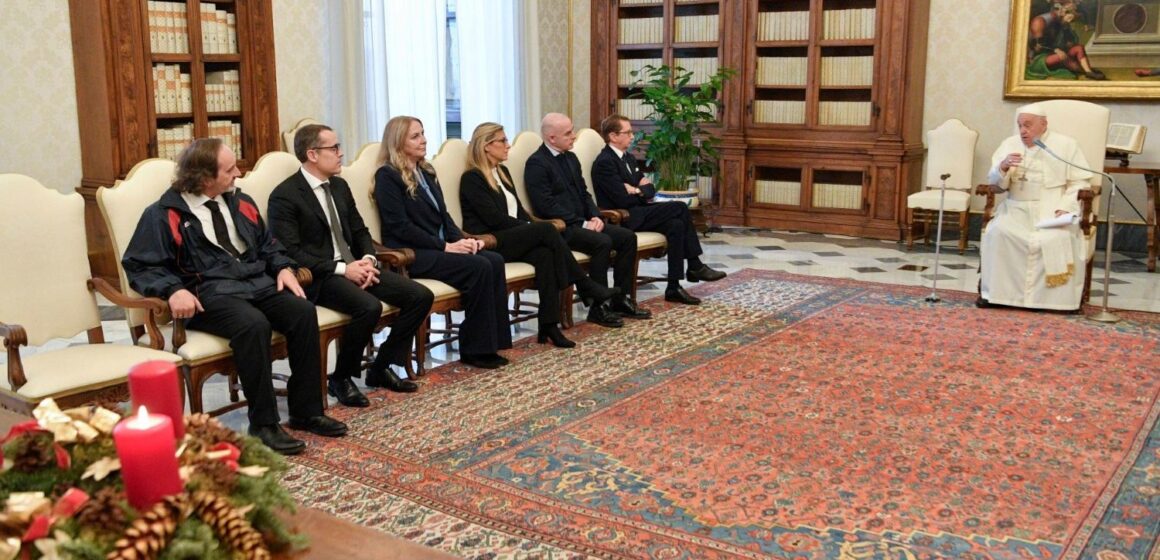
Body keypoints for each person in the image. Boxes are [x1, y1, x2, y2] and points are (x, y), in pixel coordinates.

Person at [122, 138, 346, 455]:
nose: (238, 173)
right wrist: (173, 290)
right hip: (207, 293)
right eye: (229, 170)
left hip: (254, 282)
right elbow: (140, 265)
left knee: (302, 311)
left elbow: (269, 246)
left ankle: (306, 411)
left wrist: (283, 267)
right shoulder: (163, 214)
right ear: (204, 178)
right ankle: (264, 423)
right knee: (252, 324)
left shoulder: (241, 203)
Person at [268, 124, 434, 406]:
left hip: (356, 265)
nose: (340, 153)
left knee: (420, 296)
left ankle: (381, 368)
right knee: (368, 307)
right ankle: (341, 378)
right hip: (321, 276)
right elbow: (292, 252)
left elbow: (359, 231)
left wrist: (368, 260)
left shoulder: (340, 186)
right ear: (312, 154)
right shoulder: (285, 195)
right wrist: (346, 270)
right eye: (333, 148)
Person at [460, 122, 623, 346]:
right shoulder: (473, 178)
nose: (508, 146)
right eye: (503, 141)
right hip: (491, 241)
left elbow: (517, 210)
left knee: (546, 255)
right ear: (487, 146)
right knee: (546, 229)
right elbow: (494, 220)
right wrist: (531, 228)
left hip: (513, 237)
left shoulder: (502, 173)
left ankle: (549, 326)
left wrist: (529, 226)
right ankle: (585, 284)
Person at [373, 116, 512, 369]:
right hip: (412, 253)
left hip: (439, 247)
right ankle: (475, 349)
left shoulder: (425, 171)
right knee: (479, 267)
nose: (424, 140)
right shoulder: (387, 176)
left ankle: (493, 342)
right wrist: (445, 247)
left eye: (423, 133)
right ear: (397, 141)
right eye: (415, 136)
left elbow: (443, 215)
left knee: (493, 260)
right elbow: (399, 227)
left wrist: (463, 240)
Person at [525, 112, 651, 322]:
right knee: (602, 242)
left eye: (572, 130)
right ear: (552, 138)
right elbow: (545, 205)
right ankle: (597, 306)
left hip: (584, 222)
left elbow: (584, 193)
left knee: (627, 237)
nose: (574, 136)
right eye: (568, 133)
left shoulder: (571, 158)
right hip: (562, 228)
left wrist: (595, 216)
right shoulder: (537, 163)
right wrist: (581, 222)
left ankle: (621, 298)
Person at [591, 114, 726, 305]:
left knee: (676, 224)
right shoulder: (605, 162)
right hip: (625, 217)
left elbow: (650, 188)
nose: (632, 135)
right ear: (613, 136)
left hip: (640, 210)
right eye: (627, 132)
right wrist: (640, 189)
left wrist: (636, 189)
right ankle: (694, 264)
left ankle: (674, 286)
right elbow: (621, 198)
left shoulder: (628, 158)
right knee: (679, 207)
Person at [979, 102, 1092, 311]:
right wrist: (1002, 167)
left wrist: (1066, 206)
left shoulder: (1065, 145)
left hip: (1052, 208)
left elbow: (1080, 182)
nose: (1023, 131)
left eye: (1028, 125)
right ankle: (998, 295)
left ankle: (1054, 302)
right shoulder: (1009, 144)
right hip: (1016, 207)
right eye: (1020, 125)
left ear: (1044, 124)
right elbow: (996, 186)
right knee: (999, 232)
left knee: (1057, 237)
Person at [1026, 1, 1105, 81]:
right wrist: (1056, 50)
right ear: (1060, 11)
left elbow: (1072, 42)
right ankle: (1084, 71)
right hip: (1040, 58)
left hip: (1058, 52)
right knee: (1061, 57)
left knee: (1079, 48)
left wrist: (1065, 27)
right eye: (1068, 13)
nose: (1071, 17)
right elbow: (1038, 46)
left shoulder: (1062, 22)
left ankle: (1088, 71)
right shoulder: (1041, 21)